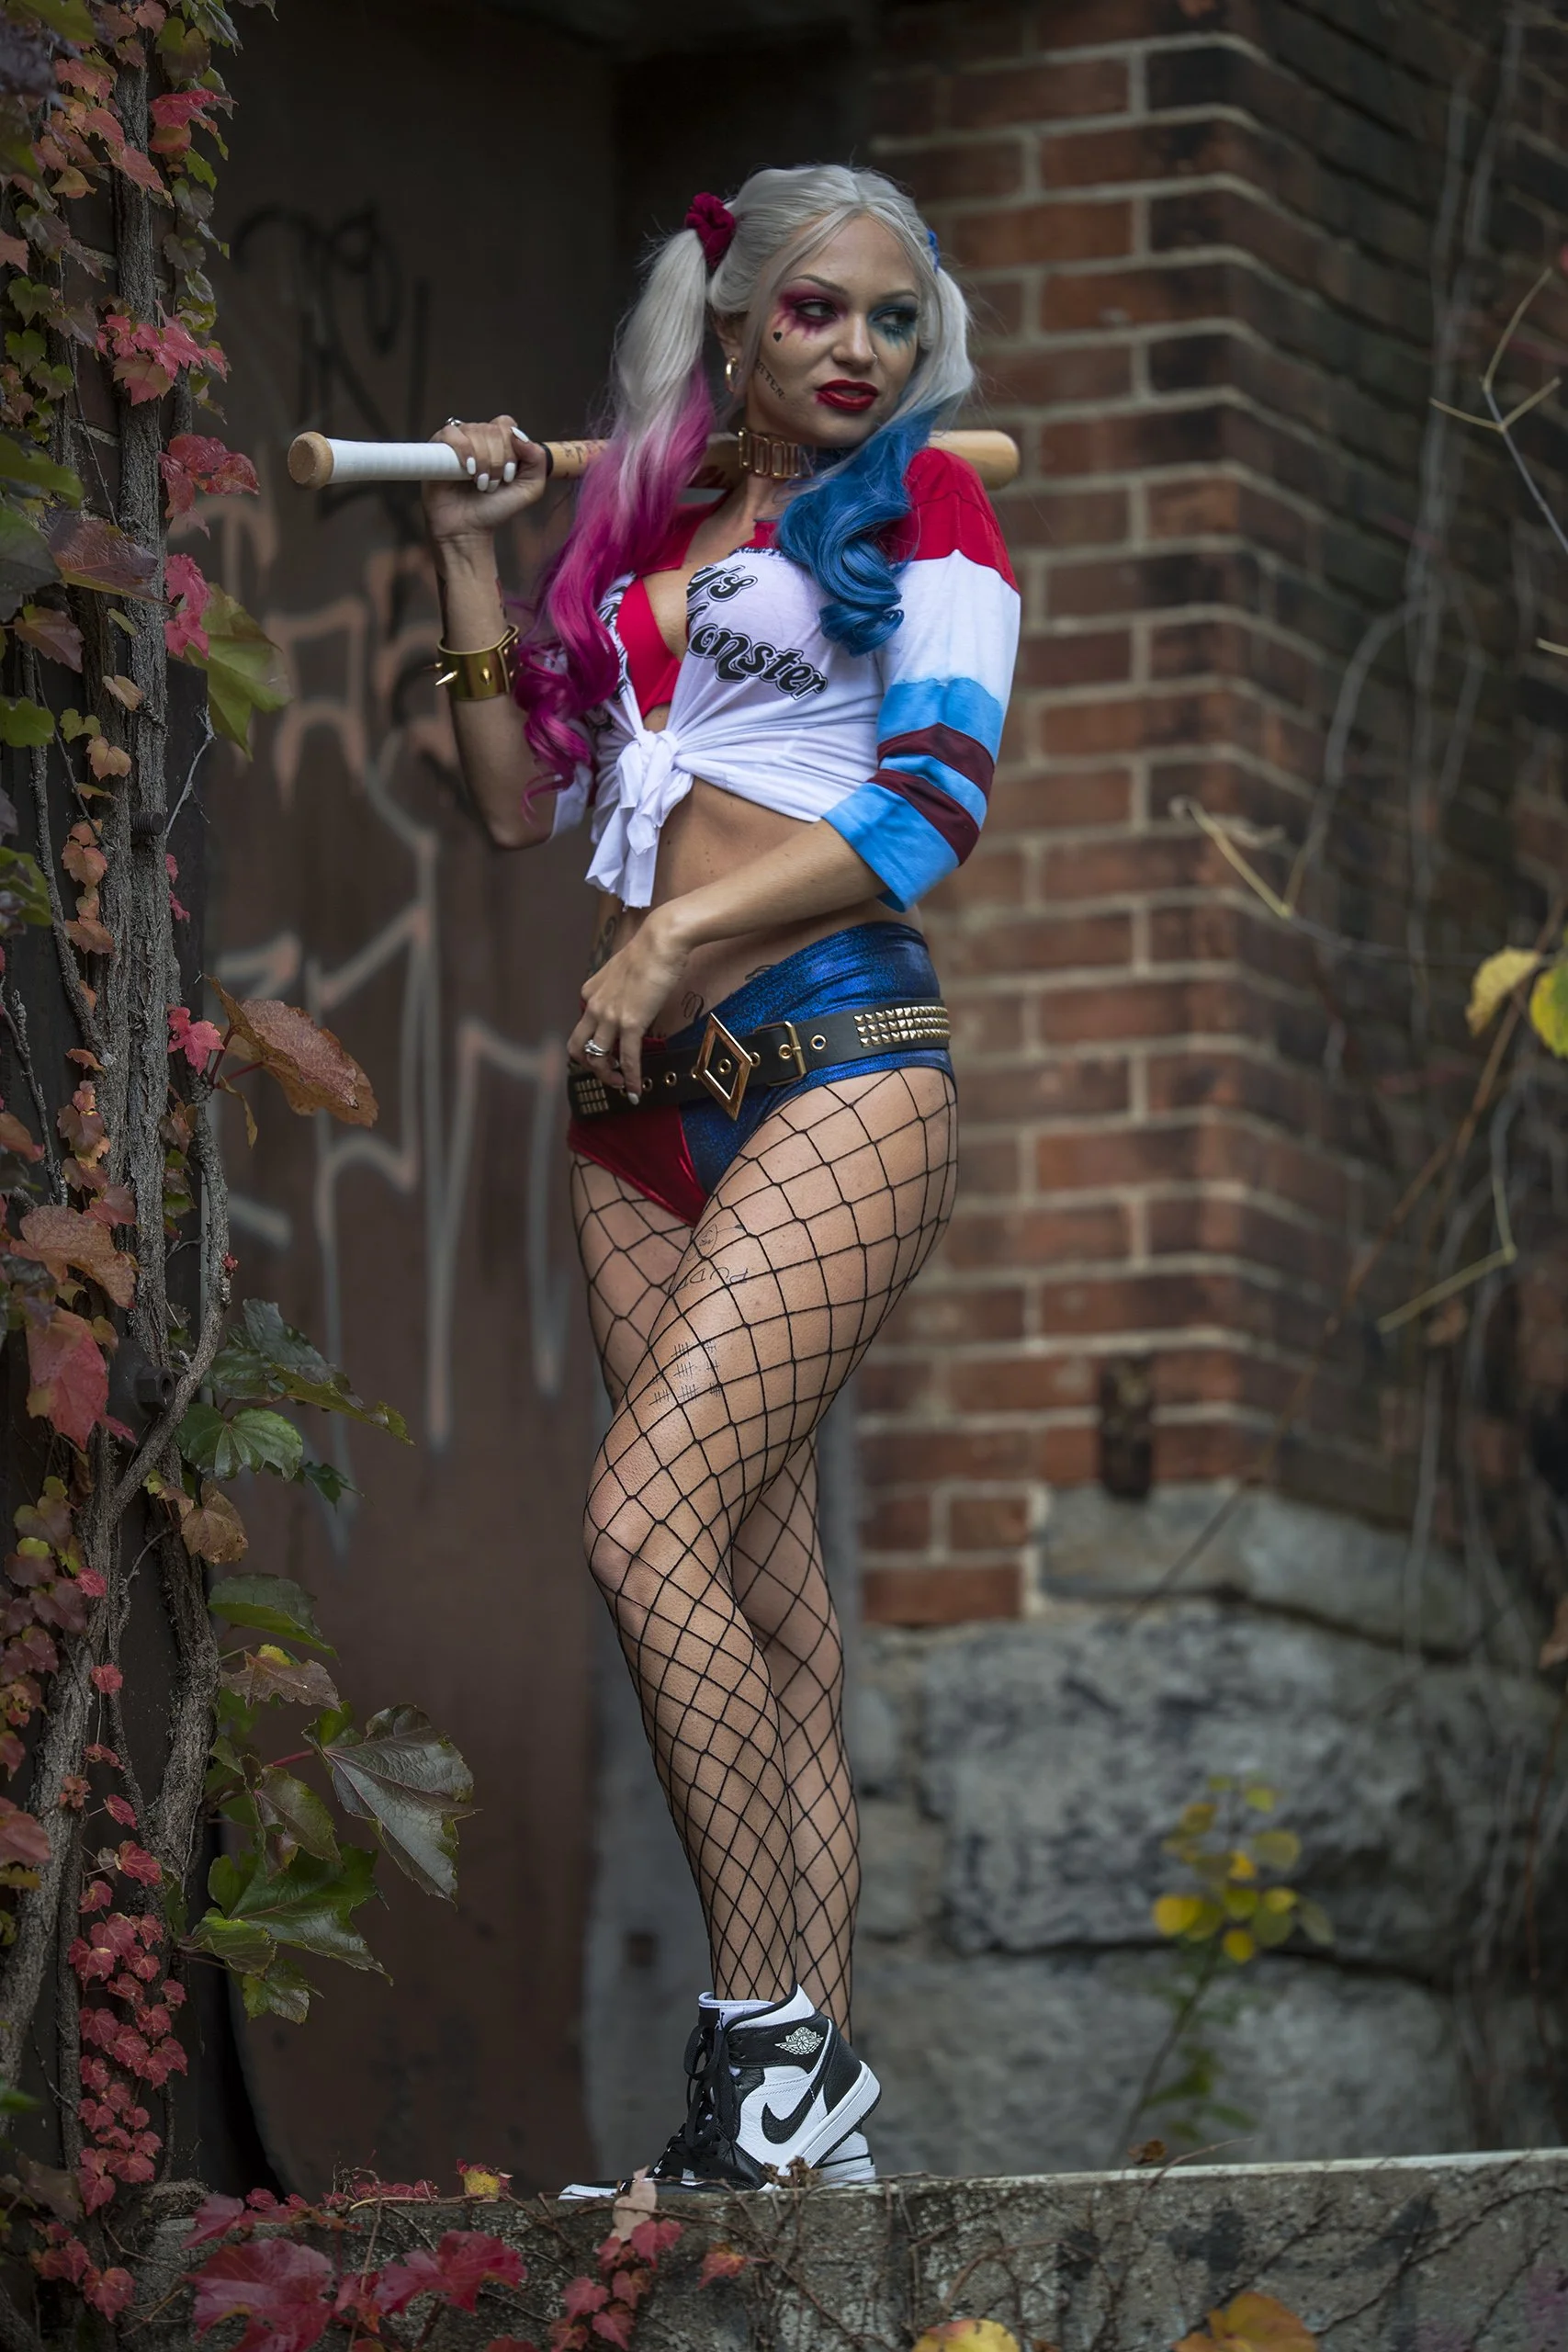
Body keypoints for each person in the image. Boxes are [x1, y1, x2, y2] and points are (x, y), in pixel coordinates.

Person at [423, 164, 1019, 2195]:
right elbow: (517, 804)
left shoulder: (931, 508)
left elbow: (932, 804)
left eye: (893, 318)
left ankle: (758, 2044)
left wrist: (674, 937)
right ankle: (804, 2105)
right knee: (759, 1596)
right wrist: (467, 562)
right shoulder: (640, 529)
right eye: (816, 311)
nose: (859, 348)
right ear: (738, 319)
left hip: (837, 1055)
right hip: (632, 1106)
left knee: (639, 1518)